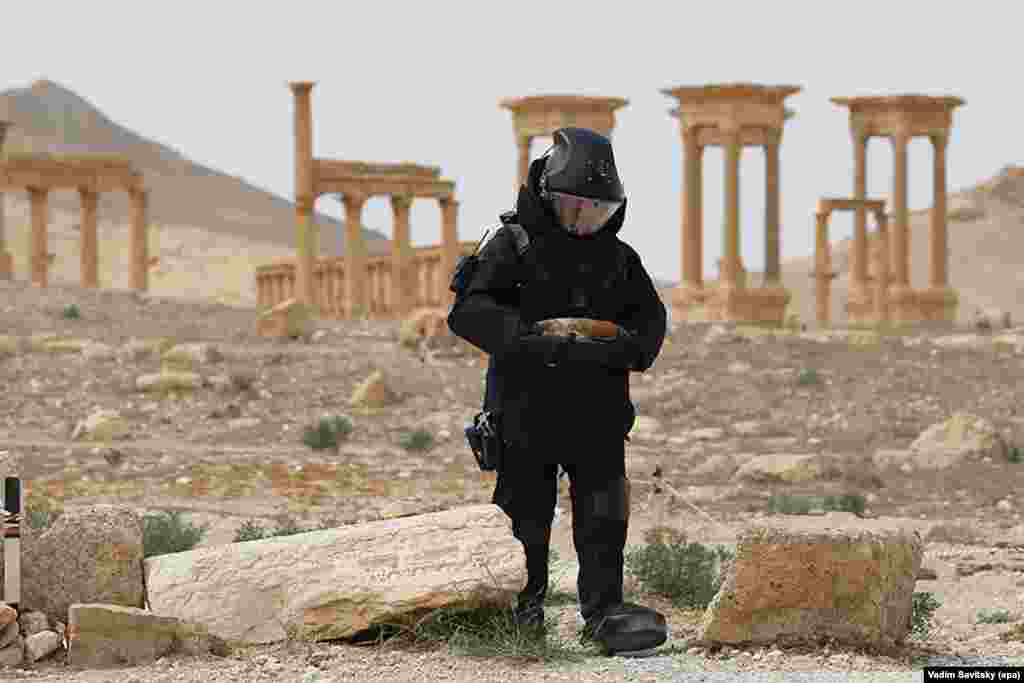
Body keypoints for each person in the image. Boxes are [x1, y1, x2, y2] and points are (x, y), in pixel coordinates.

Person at [447, 127, 668, 654]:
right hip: (524, 414)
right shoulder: (510, 244)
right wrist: (534, 342)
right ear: (547, 196)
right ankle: (521, 615)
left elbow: (649, 325)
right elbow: (468, 312)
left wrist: (617, 348)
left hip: (597, 417)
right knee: (524, 517)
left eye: (597, 211)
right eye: (574, 209)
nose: (585, 222)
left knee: (604, 515)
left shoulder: (621, 260)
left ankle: (605, 613)